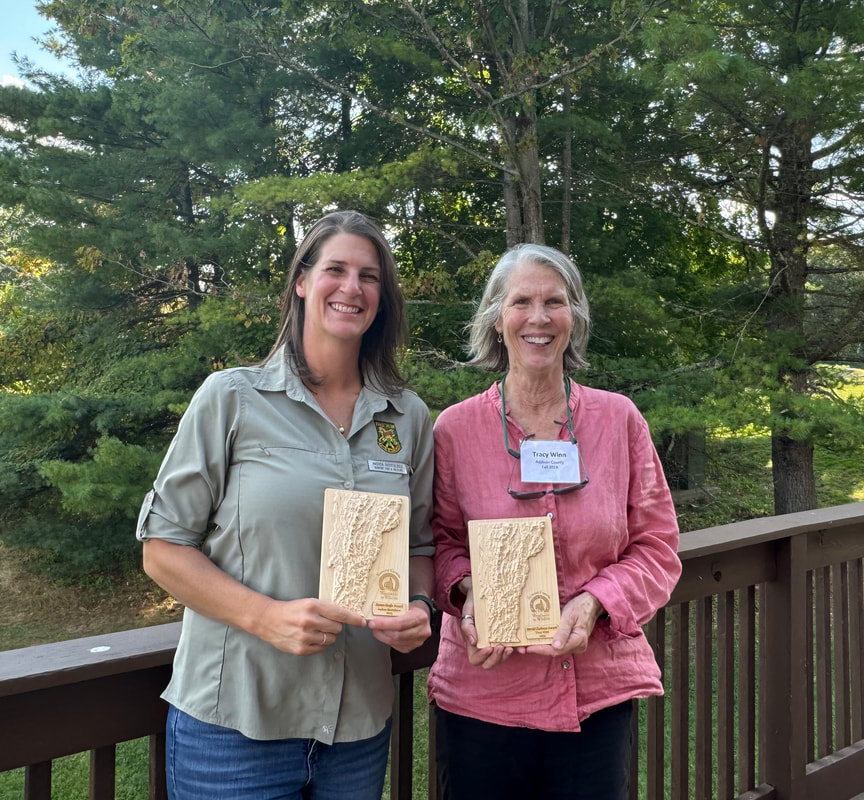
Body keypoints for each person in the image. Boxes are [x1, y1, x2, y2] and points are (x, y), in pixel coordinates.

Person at [135, 210, 436, 800]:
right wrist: (264, 617)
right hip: (236, 723)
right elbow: (162, 549)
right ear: (302, 281)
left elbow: (420, 545)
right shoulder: (232, 398)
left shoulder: (409, 416)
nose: (352, 288)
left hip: (356, 728)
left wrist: (419, 605)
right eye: (336, 269)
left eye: (369, 276)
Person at [428, 243, 681, 800]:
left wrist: (594, 603)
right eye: (522, 302)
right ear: (497, 319)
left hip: (596, 696)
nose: (538, 318)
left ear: (575, 318)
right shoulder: (454, 430)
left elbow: (658, 546)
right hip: (484, 695)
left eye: (555, 302)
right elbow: (439, 542)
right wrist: (469, 593)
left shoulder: (619, 421)